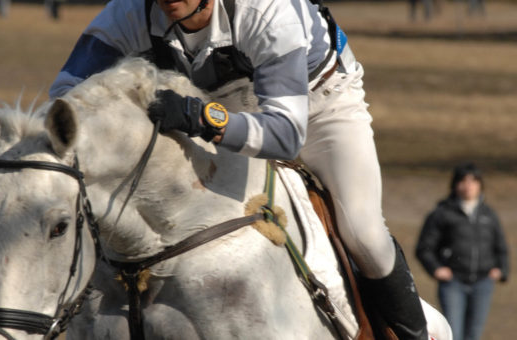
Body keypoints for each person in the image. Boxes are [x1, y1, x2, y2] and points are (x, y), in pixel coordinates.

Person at [49, 1, 442, 338]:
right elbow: (65, 95)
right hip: (214, 107)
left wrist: (198, 117)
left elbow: (286, 133)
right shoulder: (130, 12)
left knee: (365, 234)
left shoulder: (264, 9)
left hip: (319, 104)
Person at [416, 163, 509, 340]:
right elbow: (424, 248)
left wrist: (501, 270)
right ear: (455, 184)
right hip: (453, 283)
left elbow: (501, 246)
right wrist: (436, 269)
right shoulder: (442, 214)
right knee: (452, 334)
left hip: (483, 283)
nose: (468, 186)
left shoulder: (489, 214)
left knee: (474, 334)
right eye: (463, 181)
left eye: (473, 181)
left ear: (480, 185)